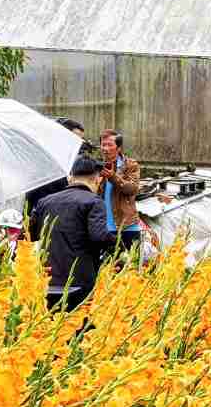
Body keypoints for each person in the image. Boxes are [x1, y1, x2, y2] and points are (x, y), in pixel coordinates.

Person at [29, 156, 115, 310]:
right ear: (97, 180)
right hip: (80, 283)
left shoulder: (45, 202)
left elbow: (31, 235)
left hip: (47, 281)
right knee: (79, 329)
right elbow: (99, 236)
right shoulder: (94, 202)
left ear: (70, 178)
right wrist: (118, 244)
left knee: (49, 330)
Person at [24, 117, 88, 212]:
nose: (79, 143)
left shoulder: (73, 161)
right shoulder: (45, 161)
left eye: (81, 140)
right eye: (75, 139)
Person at [98, 129, 142, 256]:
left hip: (127, 226)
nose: (105, 148)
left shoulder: (130, 165)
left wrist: (113, 177)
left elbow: (132, 189)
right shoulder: (97, 166)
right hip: (104, 227)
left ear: (118, 148)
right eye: (103, 144)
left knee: (131, 266)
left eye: (109, 145)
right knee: (106, 269)